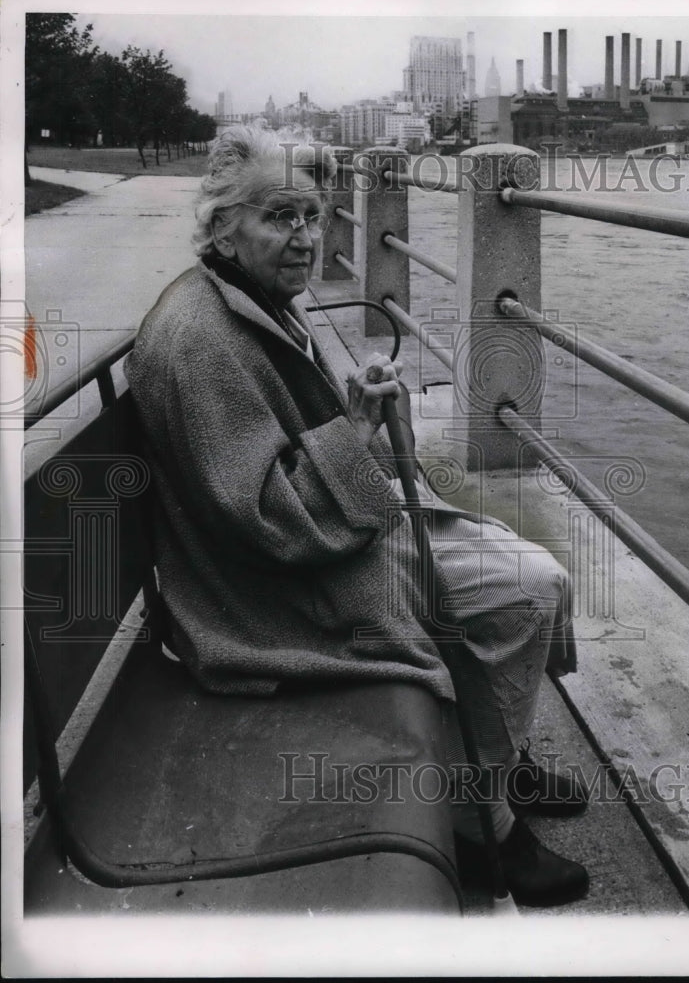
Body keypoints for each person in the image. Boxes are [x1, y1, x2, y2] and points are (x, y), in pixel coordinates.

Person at [126, 124, 589, 908]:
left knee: (513, 561)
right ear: (221, 226)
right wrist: (356, 433)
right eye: (280, 218)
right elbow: (271, 521)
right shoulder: (200, 341)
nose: (305, 238)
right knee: (529, 584)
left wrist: (350, 418)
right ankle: (482, 827)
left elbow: (270, 467)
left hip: (312, 544)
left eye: (312, 215)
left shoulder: (239, 296)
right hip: (262, 596)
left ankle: (493, 760)